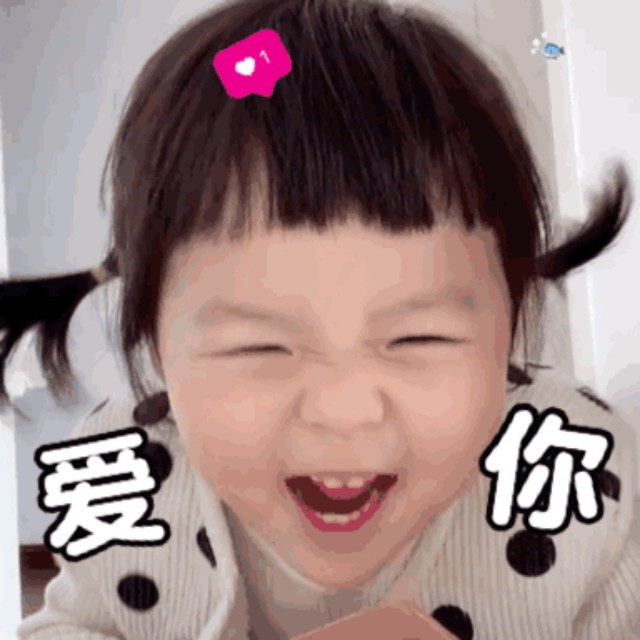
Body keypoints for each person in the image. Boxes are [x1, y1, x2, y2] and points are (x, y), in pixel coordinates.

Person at [9, 0, 640, 637]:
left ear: (512, 328)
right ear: (155, 347)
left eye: (418, 337)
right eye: (259, 347)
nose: (344, 410)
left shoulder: (575, 481)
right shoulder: (129, 477)